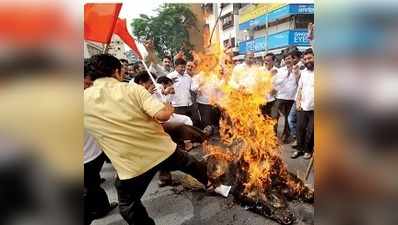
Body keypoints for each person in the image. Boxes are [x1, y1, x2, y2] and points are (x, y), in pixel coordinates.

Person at [84, 54, 209, 225]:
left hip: (131, 165)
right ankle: (215, 184)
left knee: (128, 206)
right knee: (192, 165)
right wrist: (169, 107)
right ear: (116, 71)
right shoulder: (131, 89)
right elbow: (163, 115)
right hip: (161, 151)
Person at [84, 59, 117, 225]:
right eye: (88, 78)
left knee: (93, 184)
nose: (90, 82)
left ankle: (102, 207)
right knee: (89, 190)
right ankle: (94, 211)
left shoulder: (90, 94)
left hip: (94, 153)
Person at [291, 48, 314, 159]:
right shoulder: (304, 73)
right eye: (305, 59)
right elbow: (300, 88)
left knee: (311, 131)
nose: (307, 60)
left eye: (309, 58)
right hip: (303, 106)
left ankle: (308, 150)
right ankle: (299, 149)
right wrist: (298, 102)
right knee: (300, 129)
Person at [274, 50, 300, 143]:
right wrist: (287, 73)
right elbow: (276, 83)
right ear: (284, 61)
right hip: (280, 97)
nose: (287, 61)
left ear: (293, 59)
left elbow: (299, 84)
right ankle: (272, 135)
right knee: (274, 116)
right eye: (286, 59)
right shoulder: (280, 70)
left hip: (292, 98)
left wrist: (295, 74)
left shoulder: (298, 69)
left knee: (288, 119)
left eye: (289, 59)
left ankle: (286, 135)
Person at [167, 58, 200, 127]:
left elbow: (193, 88)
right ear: (175, 66)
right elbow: (166, 90)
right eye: (181, 67)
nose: (183, 69)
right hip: (178, 107)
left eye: (184, 67)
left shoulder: (188, 77)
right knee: (182, 126)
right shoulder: (170, 77)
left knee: (192, 124)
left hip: (189, 105)